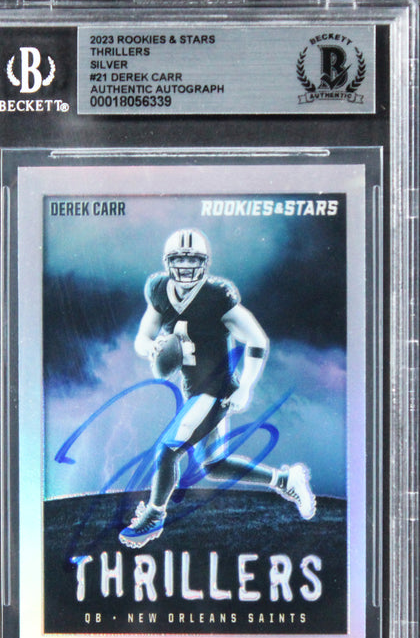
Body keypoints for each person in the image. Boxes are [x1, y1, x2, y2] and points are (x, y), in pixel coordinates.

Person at [119, 229, 316, 548]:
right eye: (179, 259)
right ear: (167, 262)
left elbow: (257, 339)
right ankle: (285, 479)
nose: (185, 267)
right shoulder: (159, 289)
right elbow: (143, 336)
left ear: (205, 263)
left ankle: (154, 516)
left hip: (214, 389)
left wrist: (245, 387)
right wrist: (152, 348)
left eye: (192, 260)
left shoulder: (217, 296)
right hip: (193, 388)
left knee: (168, 451)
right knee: (213, 465)